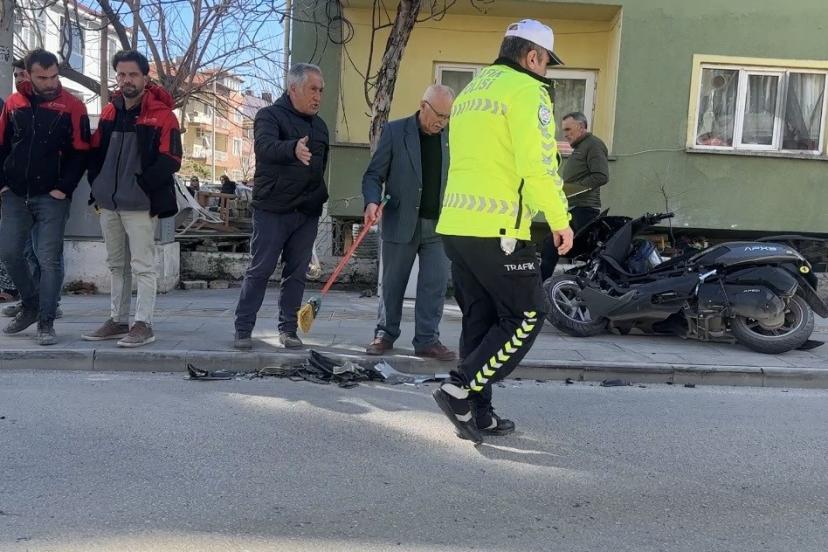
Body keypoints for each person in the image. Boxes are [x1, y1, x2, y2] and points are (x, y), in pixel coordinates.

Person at [432, 20, 573, 443]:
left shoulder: (473, 90)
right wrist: (561, 218)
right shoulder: (529, 91)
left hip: (457, 226)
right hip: (501, 230)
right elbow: (538, 165)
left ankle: (480, 415)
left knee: (481, 320)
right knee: (528, 315)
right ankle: (459, 388)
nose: (546, 71)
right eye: (546, 62)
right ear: (532, 56)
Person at [82, 50, 182, 347]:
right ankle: (117, 320)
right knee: (116, 265)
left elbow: (171, 159)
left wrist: (142, 186)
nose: (127, 80)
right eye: (122, 74)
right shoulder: (111, 110)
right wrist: (97, 185)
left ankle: (143, 324)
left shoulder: (163, 115)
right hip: (109, 203)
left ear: (145, 77)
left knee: (143, 266)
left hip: (139, 204)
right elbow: (97, 151)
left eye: (133, 74)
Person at [233, 63, 329, 350]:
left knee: (297, 273)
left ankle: (288, 331)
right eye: (313, 89)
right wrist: (292, 149)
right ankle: (243, 328)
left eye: (321, 91)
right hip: (273, 210)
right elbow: (264, 147)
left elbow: (322, 167)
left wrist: (318, 198)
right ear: (294, 89)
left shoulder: (320, 126)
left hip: (306, 213)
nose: (318, 96)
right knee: (260, 269)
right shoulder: (268, 116)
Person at [0, 49, 90, 345]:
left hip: (52, 195)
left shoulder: (73, 106)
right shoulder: (14, 103)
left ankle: (46, 322)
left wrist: (64, 188)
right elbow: (2, 145)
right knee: (10, 253)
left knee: (48, 259)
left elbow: (81, 152)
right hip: (14, 193)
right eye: (43, 77)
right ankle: (31, 304)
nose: (50, 82)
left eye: (54, 76)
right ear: (28, 74)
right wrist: (2, 184)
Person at [362, 84, 456, 361]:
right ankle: (385, 334)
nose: (442, 121)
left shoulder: (452, 137)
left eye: (447, 117)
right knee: (392, 284)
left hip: (439, 225)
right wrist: (371, 202)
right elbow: (373, 175)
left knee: (435, 285)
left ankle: (427, 340)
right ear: (423, 105)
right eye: (438, 114)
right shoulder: (395, 131)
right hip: (400, 219)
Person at [540, 111, 609, 280]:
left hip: (584, 209)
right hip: (573, 208)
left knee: (553, 245)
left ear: (581, 127)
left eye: (568, 129)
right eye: (564, 130)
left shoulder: (593, 145)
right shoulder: (580, 148)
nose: (565, 134)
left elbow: (601, 176)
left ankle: (541, 288)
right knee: (555, 246)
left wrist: (572, 189)